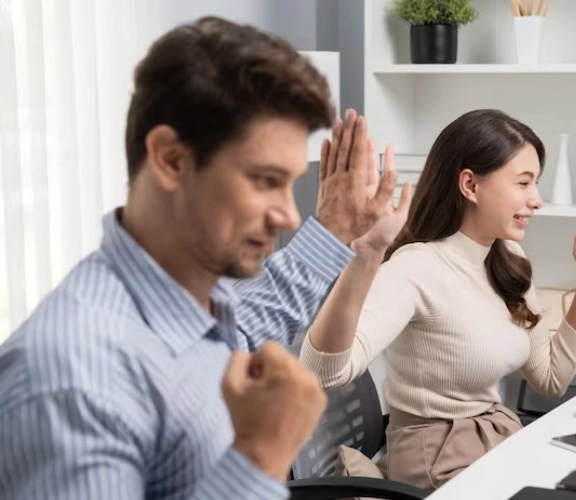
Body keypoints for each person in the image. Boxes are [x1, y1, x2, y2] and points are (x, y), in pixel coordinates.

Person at [0, 17, 406, 500]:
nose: (288, 215)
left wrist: (336, 229)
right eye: (263, 180)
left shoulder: (191, 302)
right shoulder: (72, 383)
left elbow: (256, 318)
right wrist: (260, 458)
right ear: (171, 160)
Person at [299, 109, 576, 490]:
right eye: (523, 183)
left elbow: (551, 378)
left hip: (496, 447)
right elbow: (323, 373)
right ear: (470, 185)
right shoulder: (414, 268)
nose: (536, 200)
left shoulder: (509, 259)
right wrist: (366, 257)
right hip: (437, 465)